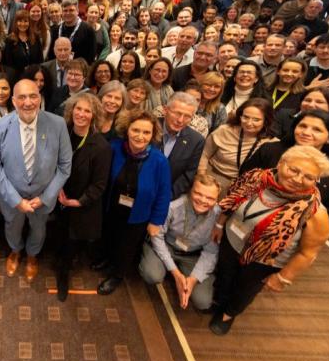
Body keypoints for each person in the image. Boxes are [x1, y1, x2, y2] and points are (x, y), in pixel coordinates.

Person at [209, 146, 329, 335]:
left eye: (308, 177)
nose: (298, 179)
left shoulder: (315, 213)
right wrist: (219, 225)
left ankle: (228, 314)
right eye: (294, 170)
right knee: (225, 275)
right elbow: (232, 200)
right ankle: (219, 301)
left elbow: (308, 253)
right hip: (232, 240)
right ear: (281, 163)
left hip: (264, 261)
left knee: (245, 288)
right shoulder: (256, 178)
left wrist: (283, 278)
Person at [0, 79, 72, 281]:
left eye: (33, 96)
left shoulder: (57, 124)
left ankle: (33, 255)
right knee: (12, 226)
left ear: (40, 98)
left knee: (39, 229)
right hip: (11, 198)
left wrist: (46, 197)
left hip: (42, 197)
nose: (28, 102)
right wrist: (15, 199)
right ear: (13, 101)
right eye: (22, 97)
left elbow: (64, 166)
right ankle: (15, 251)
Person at [95, 109, 172, 295]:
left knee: (126, 247)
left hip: (138, 213)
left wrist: (156, 221)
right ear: (127, 130)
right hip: (111, 207)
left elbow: (164, 194)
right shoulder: (114, 148)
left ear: (153, 135)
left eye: (146, 132)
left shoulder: (159, 161)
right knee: (109, 236)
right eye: (136, 130)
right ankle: (106, 259)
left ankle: (117, 275)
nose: (140, 136)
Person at [242, 109, 329, 226]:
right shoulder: (270, 150)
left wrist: (295, 226)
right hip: (247, 212)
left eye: (317, 130)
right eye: (302, 126)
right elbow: (244, 180)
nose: (306, 132)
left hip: (294, 229)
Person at [55, 93, 112, 301]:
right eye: (78, 109)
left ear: (94, 115)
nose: (81, 114)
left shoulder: (101, 147)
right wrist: (55, 188)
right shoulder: (61, 134)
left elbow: (100, 185)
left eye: (87, 111)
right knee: (58, 236)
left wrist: (78, 202)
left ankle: (63, 275)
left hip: (80, 204)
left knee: (71, 242)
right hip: (57, 196)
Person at [139, 174, 221, 310]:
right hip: (167, 246)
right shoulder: (173, 206)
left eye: (210, 198)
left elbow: (211, 252)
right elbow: (157, 237)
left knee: (203, 302)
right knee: (152, 275)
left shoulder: (218, 218)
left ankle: (181, 275)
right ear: (190, 191)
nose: (203, 200)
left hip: (193, 255)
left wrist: (193, 279)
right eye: (198, 193)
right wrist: (176, 274)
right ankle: (173, 272)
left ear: (217, 200)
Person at [198, 98, 277, 195]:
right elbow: (204, 154)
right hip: (211, 179)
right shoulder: (225, 130)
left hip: (243, 189)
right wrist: (202, 177)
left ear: (266, 121)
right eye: (245, 117)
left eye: (256, 120)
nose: (249, 123)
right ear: (240, 116)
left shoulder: (271, 143)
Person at [157, 92, 206, 199]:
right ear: (165, 110)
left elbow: (188, 175)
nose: (180, 120)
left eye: (187, 116)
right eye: (177, 113)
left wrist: (167, 197)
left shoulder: (196, 141)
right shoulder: (149, 127)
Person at [48, 0, 96, 64]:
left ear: (77, 11)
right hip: (60, 68)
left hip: (79, 69)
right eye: (65, 10)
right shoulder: (56, 30)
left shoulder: (88, 30)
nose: (68, 13)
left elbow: (91, 56)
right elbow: (51, 54)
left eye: (71, 10)